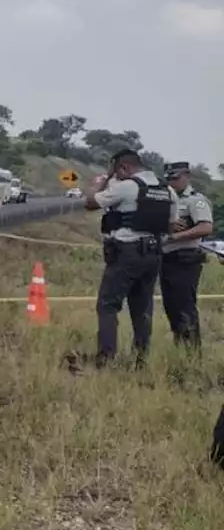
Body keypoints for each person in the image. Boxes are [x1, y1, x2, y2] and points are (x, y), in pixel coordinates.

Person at [83, 149, 177, 368]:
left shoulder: (126, 187)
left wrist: (104, 179)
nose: (117, 176)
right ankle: (140, 360)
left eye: (117, 171)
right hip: (153, 254)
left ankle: (105, 359)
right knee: (142, 308)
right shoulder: (168, 191)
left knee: (107, 305)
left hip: (126, 252)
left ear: (124, 167)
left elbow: (89, 202)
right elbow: (171, 226)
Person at [160, 162, 213, 351]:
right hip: (166, 259)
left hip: (185, 259)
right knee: (171, 307)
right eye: (169, 179)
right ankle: (181, 348)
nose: (172, 182)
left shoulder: (195, 200)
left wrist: (175, 237)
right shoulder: (168, 200)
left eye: (176, 178)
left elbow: (205, 227)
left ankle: (191, 353)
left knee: (184, 307)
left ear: (187, 176)